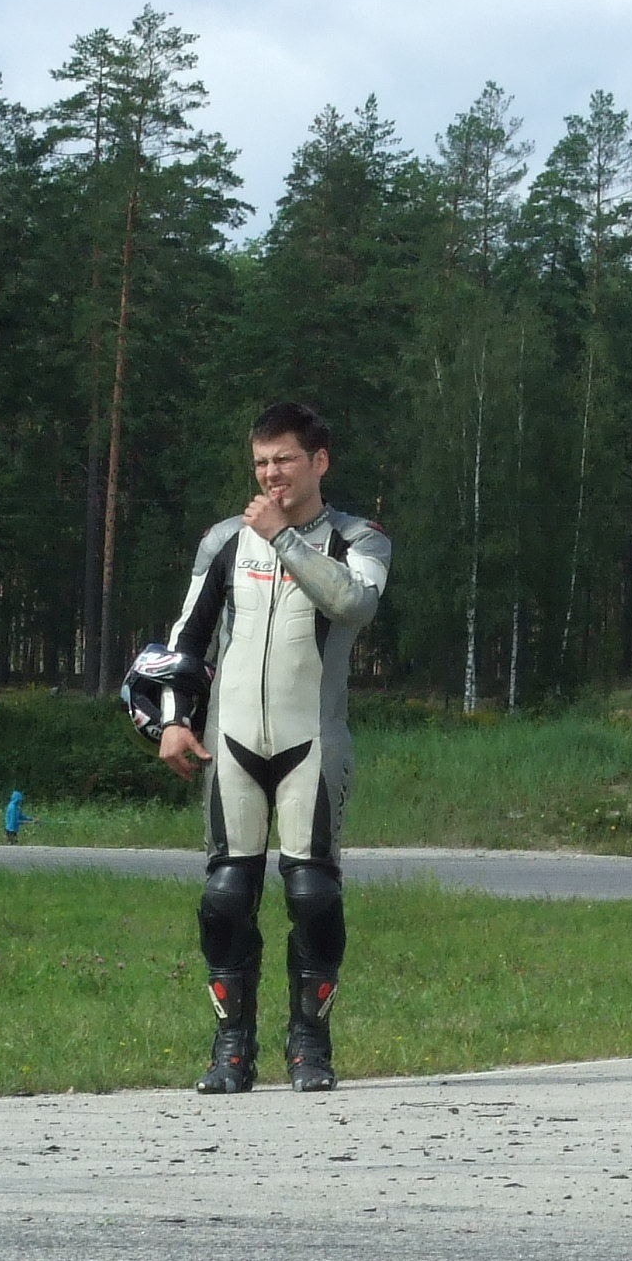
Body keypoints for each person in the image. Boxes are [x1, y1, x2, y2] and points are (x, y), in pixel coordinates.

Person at [153, 400, 390, 1093]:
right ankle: (231, 1049)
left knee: (312, 892)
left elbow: (353, 605)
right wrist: (174, 718)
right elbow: (188, 637)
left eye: (284, 459)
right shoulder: (225, 539)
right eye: (260, 462)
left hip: (311, 740)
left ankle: (309, 1048)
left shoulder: (359, 538)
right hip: (230, 741)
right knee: (227, 892)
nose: (271, 474)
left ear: (320, 462)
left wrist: (284, 538)